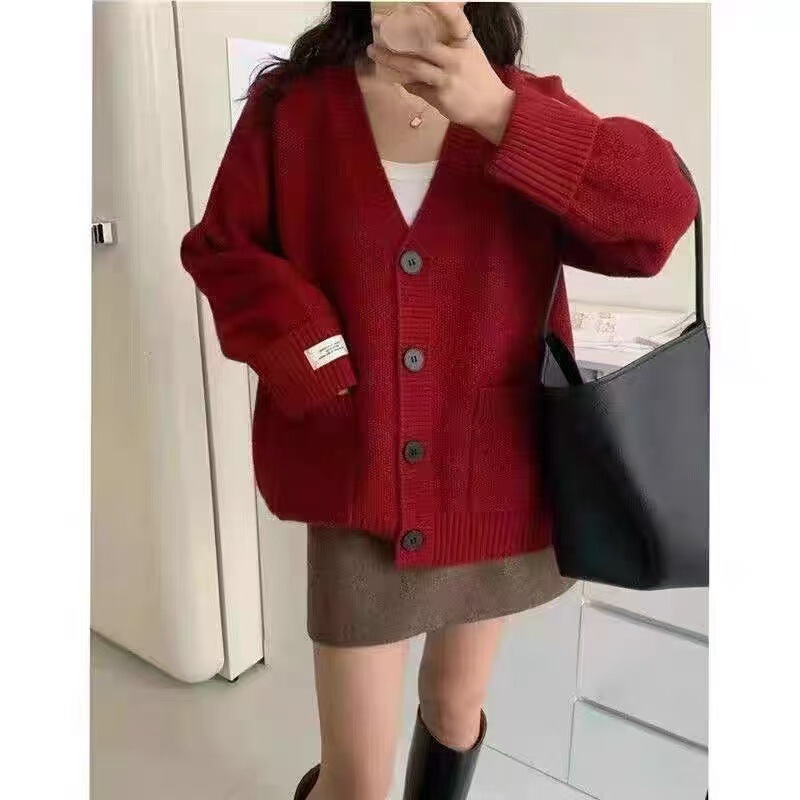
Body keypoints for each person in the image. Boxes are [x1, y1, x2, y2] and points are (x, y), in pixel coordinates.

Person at [180, 3, 698, 799]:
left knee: (455, 710)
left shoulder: (524, 103)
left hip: (494, 479)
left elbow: (658, 216)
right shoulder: (291, 109)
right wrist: (312, 355)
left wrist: (499, 112)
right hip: (361, 487)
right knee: (357, 781)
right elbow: (224, 248)